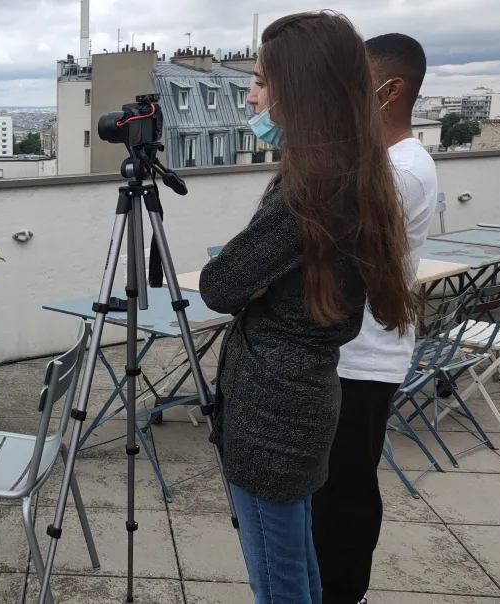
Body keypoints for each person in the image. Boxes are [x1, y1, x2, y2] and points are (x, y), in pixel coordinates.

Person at [199, 12, 418, 604]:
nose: (251, 96)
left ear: (302, 91)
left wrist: (251, 282)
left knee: (279, 580)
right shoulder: (353, 175)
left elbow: (220, 285)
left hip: (272, 414)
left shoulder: (310, 194)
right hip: (300, 404)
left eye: (261, 81)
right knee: (299, 565)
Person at [312, 33, 437, 604]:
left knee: (345, 493)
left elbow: (326, 248)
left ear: (392, 90)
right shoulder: (383, 164)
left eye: (354, 83)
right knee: (330, 490)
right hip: (350, 350)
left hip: (362, 358)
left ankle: (344, 593)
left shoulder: (400, 171)